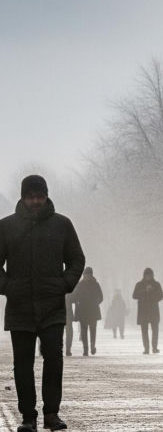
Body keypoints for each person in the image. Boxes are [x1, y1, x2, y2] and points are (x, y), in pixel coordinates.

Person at [0, 174, 85, 432]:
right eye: (30, 197)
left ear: (46, 195)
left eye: (39, 196)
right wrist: (8, 287)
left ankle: (51, 414)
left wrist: (64, 284)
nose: (35, 201)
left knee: (54, 360)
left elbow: (76, 259)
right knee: (23, 365)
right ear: (23, 197)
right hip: (20, 307)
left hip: (52, 307)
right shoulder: (6, 227)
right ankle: (28, 417)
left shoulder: (62, 225)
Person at [71, 267, 103, 357]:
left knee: (92, 330)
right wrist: (76, 301)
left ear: (91, 275)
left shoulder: (95, 285)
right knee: (84, 331)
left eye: (88, 274)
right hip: (83, 311)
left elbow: (101, 297)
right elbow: (74, 297)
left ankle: (92, 346)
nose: (86, 276)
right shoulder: (80, 285)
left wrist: (95, 303)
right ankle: (86, 349)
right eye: (85, 274)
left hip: (92, 310)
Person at [132, 268, 163, 354]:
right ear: (144, 275)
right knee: (144, 330)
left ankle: (154, 347)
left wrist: (152, 292)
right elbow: (134, 295)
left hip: (153, 310)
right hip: (143, 310)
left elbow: (161, 296)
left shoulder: (157, 285)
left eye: (150, 275)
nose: (148, 277)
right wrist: (144, 291)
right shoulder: (139, 285)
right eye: (147, 275)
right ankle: (146, 348)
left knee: (155, 330)